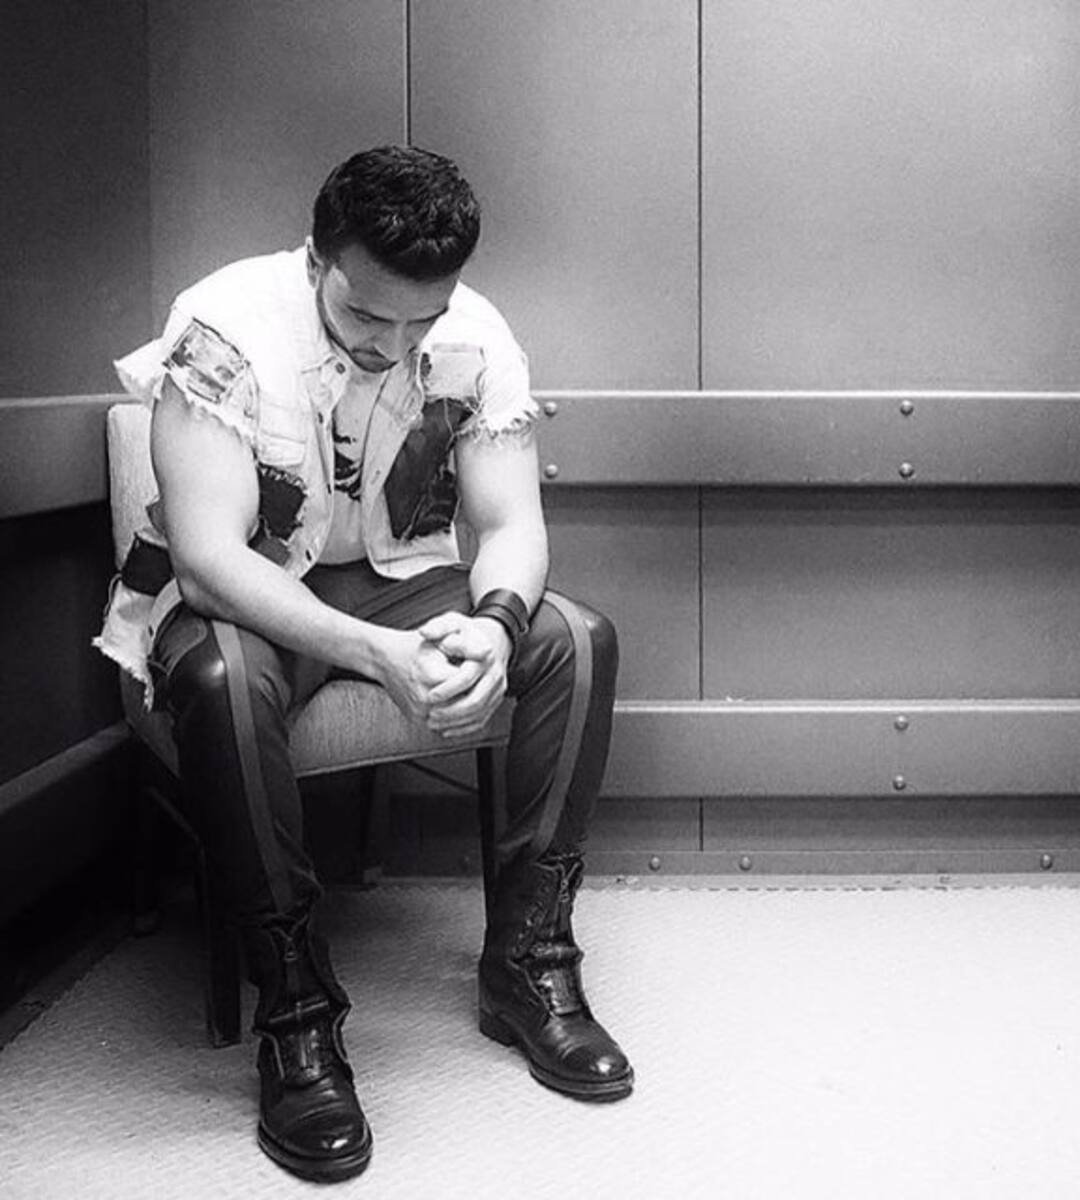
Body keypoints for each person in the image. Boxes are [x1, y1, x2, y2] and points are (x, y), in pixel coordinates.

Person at [94, 144, 633, 1183]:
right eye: (365, 317)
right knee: (220, 680)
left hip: (398, 578)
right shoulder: (223, 326)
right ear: (316, 260)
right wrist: (374, 656)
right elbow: (206, 563)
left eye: (421, 322)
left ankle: (530, 965)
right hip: (249, 583)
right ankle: (296, 1016)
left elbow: (511, 525)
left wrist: (498, 623)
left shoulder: (478, 334)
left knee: (575, 637)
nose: (394, 346)